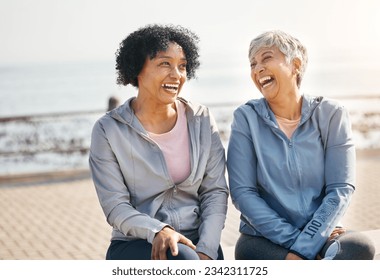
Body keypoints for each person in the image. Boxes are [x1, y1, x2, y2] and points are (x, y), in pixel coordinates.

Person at [226, 30, 375, 260]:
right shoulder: (246, 118)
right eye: (252, 64)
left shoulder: (331, 114)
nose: (257, 69)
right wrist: (297, 243)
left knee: (359, 246)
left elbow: (341, 189)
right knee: (250, 254)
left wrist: (308, 242)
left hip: (321, 233)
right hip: (264, 238)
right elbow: (243, 194)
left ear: (295, 65)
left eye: (266, 58)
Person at [89, 24, 228, 260]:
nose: (176, 75)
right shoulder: (108, 130)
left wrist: (207, 248)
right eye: (165, 64)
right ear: (137, 70)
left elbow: (215, 191)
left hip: (196, 242)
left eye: (182, 66)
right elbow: (115, 207)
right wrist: (158, 230)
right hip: (138, 242)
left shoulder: (201, 119)